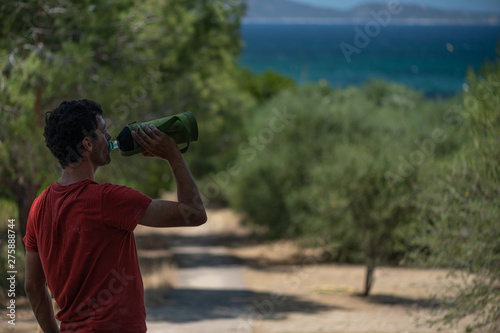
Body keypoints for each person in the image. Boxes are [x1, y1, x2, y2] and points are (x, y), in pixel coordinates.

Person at [23, 99, 207, 333]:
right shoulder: (107, 199)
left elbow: (32, 285)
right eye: (103, 131)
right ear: (88, 144)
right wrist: (173, 155)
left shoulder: (38, 207)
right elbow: (194, 213)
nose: (109, 136)